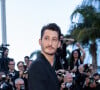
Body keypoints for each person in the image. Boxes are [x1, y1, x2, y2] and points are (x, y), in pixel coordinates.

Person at [28, 23, 61, 90]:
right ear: (40, 42)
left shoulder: (50, 67)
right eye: (46, 38)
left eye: (54, 39)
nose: (50, 43)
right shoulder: (37, 66)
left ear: (59, 44)